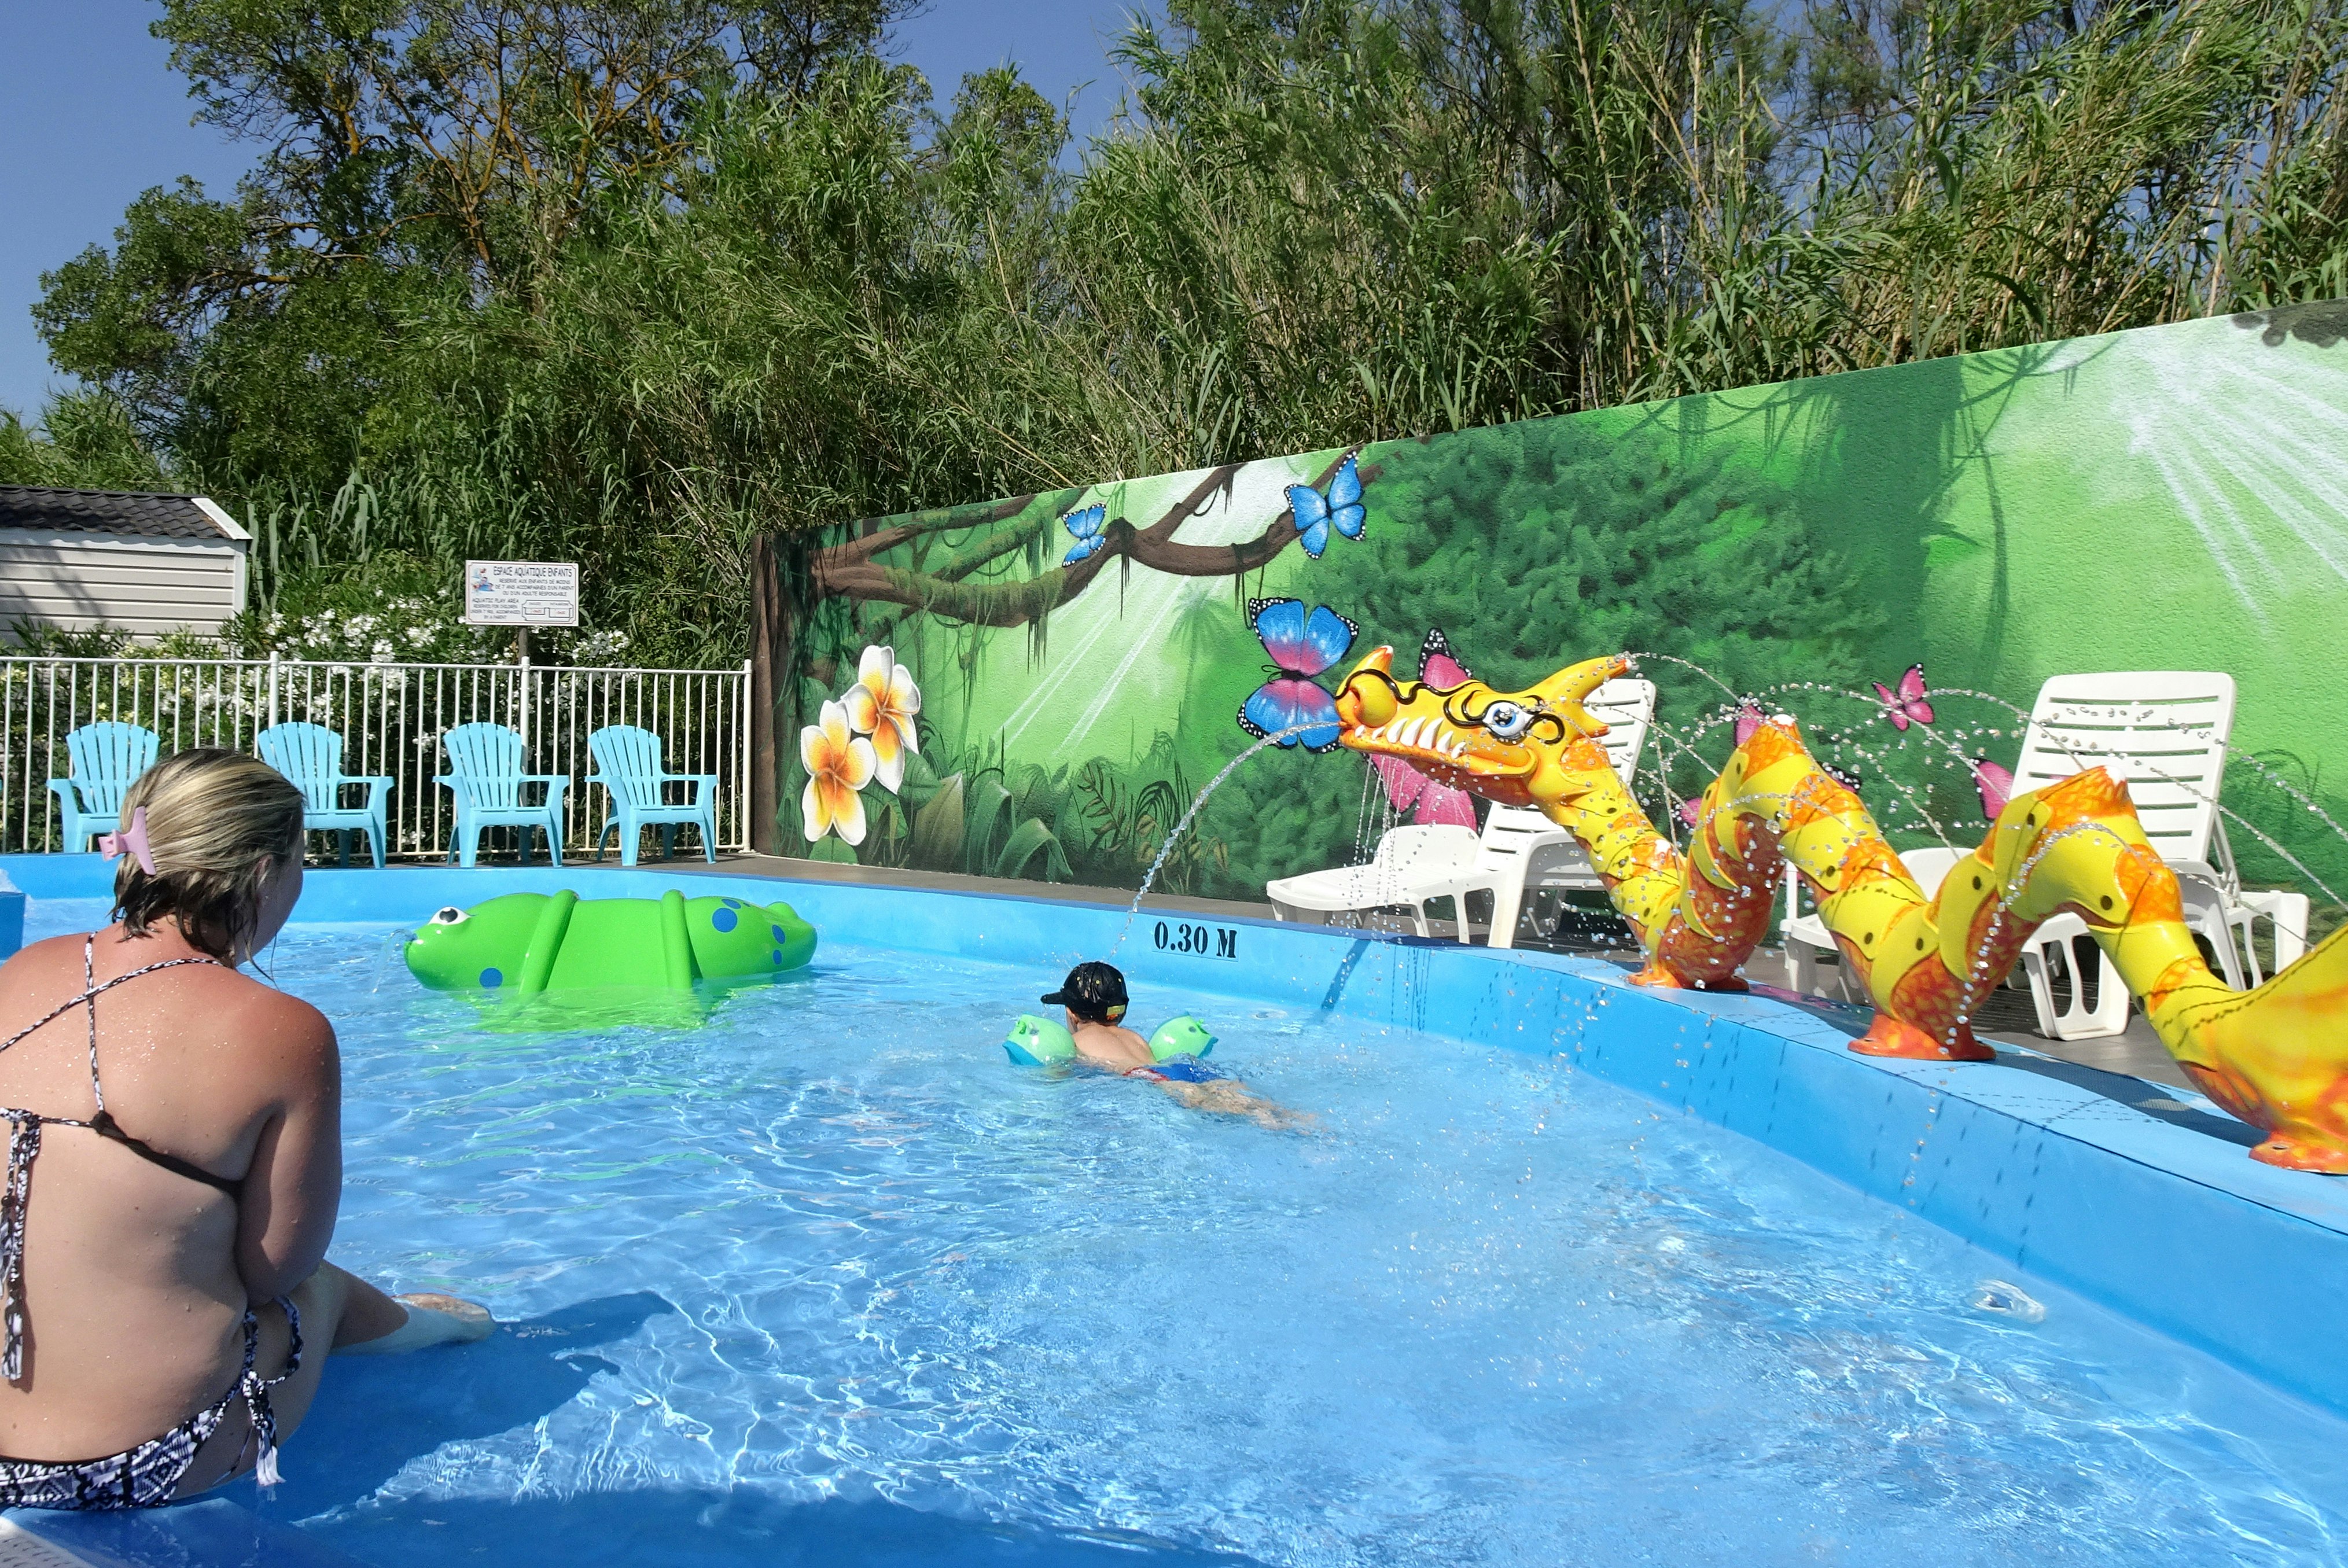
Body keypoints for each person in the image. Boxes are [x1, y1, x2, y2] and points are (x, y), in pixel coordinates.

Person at [0, 748, 491, 1510]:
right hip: (141, 1461)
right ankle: (425, 1327)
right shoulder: (280, 1031)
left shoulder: (20, 970)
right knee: (317, 1290)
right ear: (264, 871)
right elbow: (275, 1268)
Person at [1040, 961, 1305, 1129]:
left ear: (1072, 1014)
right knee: (1227, 1094)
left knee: (1212, 1104)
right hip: (1178, 1069)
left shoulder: (1076, 1043)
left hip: (1150, 1078)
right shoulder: (1132, 1037)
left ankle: (1269, 1119)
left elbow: (1059, 1078)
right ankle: (1286, 1115)